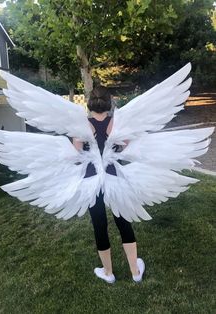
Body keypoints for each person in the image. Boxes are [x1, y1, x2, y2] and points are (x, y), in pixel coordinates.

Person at [73, 86, 145, 284]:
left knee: (99, 225)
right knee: (123, 221)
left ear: (90, 103)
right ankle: (135, 272)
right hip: (114, 177)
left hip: (91, 181)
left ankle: (108, 273)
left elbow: (77, 152)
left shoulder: (82, 125)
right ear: (109, 103)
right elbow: (124, 146)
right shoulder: (116, 123)